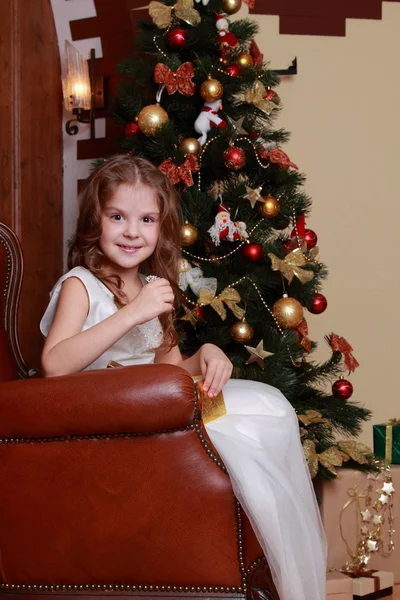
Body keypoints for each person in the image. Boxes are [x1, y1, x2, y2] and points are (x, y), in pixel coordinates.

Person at [40, 154, 326, 600]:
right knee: (243, 432)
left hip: (153, 407)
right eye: (118, 216)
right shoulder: (82, 284)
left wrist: (206, 354)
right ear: (97, 220)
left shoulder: (152, 286)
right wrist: (132, 313)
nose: (132, 231)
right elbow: (54, 365)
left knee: (267, 407)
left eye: (147, 219)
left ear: (160, 227)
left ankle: (272, 572)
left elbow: (168, 367)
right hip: (108, 417)